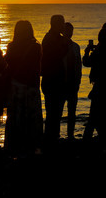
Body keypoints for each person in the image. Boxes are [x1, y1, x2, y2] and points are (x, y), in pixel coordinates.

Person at [4, 20, 44, 156]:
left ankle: (13, 146)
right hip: (31, 87)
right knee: (32, 119)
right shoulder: (36, 47)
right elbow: (38, 68)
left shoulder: (11, 46)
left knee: (15, 118)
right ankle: (32, 146)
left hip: (15, 86)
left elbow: (7, 65)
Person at [40, 14, 69, 142]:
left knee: (55, 111)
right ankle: (51, 137)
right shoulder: (51, 39)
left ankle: (53, 136)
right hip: (52, 80)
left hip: (55, 80)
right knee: (53, 111)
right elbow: (59, 54)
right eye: (62, 24)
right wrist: (65, 40)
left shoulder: (54, 38)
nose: (63, 26)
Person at [63, 22, 82, 140]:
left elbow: (78, 65)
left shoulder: (76, 46)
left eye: (71, 30)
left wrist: (78, 80)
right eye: (67, 30)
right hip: (62, 82)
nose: (70, 33)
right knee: (58, 111)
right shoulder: (58, 46)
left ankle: (70, 134)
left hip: (73, 82)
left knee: (72, 111)